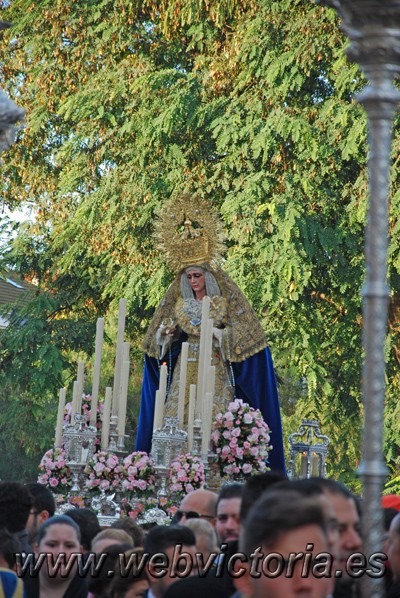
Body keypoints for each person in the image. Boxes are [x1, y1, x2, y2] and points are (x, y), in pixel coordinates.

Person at [135, 195, 285, 472]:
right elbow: (158, 343)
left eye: (198, 276)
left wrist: (220, 335)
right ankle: (173, 470)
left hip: (215, 368)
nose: (194, 281)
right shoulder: (177, 302)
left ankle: (216, 471)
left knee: (214, 420)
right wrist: (165, 337)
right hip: (184, 368)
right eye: (189, 277)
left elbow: (247, 335)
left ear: (208, 276)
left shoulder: (226, 300)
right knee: (177, 418)